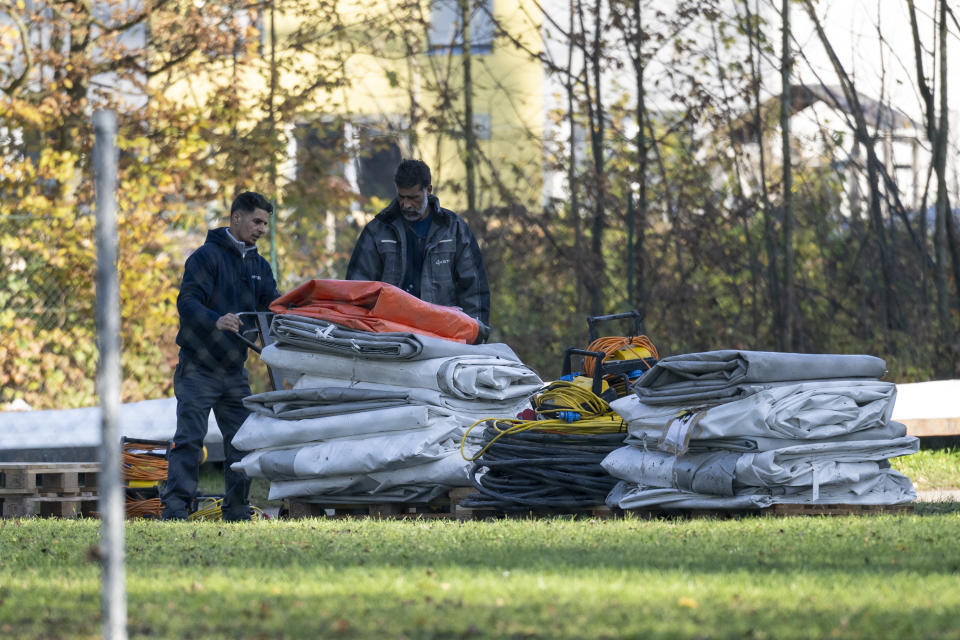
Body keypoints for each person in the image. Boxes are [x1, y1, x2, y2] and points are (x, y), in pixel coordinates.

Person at [162, 192, 280, 521]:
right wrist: (216, 319)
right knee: (189, 439)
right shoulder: (205, 258)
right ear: (236, 218)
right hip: (198, 369)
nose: (261, 229)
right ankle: (175, 510)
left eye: (265, 224)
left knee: (243, 440)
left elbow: (273, 304)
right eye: (257, 221)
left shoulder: (260, 266)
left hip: (234, 371)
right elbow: (187, 302)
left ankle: (237, 510)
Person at [345, 159, 490, 337]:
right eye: (401, 197)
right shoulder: (377, 231)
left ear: (428, 190)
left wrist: (476, 336)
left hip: (443, 335)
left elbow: (473, 289)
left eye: (413, 198)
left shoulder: (455, 230)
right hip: (387, 334)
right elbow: (357, 288)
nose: (406, 205)